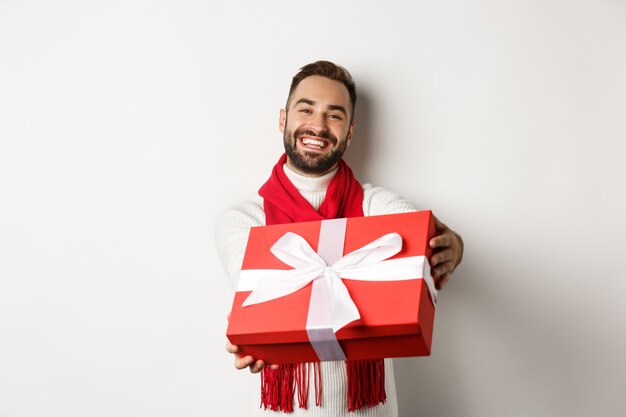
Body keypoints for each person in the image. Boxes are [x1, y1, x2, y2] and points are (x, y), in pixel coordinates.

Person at [215, 61, 464, 416]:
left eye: (334, 115)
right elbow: (258, 297)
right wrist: (256, 338)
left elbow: (425, 236)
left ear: (349, 133)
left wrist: (454, 245)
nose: (317, 125)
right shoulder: (243, 221)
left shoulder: (374, 205)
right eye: (306, 109)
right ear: (283, 119)